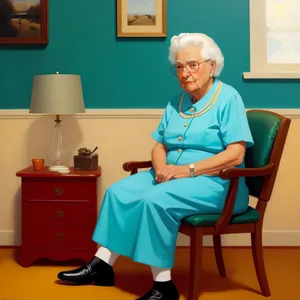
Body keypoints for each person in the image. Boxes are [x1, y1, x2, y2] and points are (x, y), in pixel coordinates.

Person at [57, 32, 254, 300]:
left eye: (192, 65)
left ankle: (164, 286)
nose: (185, 73)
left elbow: (236, 155)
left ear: (212, 65)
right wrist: (161, 169)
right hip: (171, 176)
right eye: (179, 67)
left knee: (155, 201)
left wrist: (186, 171)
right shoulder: (177, 101)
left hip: (217, 184)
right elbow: (159, 146)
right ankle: (102, 265)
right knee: (117, 193)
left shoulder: (228, 98)